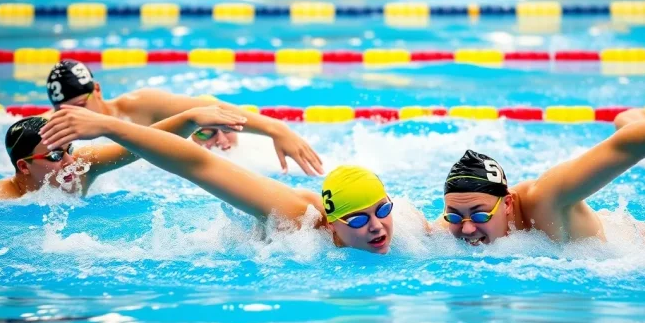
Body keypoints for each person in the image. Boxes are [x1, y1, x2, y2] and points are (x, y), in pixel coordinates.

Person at [36, 106, 395, 254]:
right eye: (360, 219)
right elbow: (198, 165)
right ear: (333, 224)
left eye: (382, 209)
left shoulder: (403, 226)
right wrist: (110, 126)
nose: (377, 226)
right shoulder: (298, 219)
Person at [439, 79, 645, 245]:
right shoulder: (459, 222)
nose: (467, 229)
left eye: (479, 216)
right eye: (454, 217)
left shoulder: (546, 198)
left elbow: (623, 147)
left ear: (507, 204)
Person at [45, 59, 323, 174]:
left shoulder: (140, 106)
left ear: (98, 89)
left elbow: (206, 109)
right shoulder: (50, 131)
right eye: (64, 110)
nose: (75, 116)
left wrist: (277, 129)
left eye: (81, 105)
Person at [0, 106, 246, 201]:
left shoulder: (83, 167)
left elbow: (139, 145)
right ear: (24, 166)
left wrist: (190, 119)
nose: (69, 162)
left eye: (69, 150)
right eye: (54, 156)